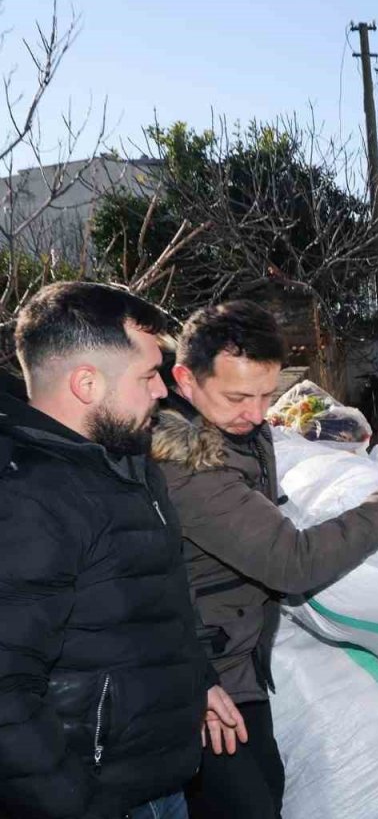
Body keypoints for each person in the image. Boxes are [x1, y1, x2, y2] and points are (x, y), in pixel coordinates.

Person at [150, 300, 378, 819]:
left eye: (267, 394)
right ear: (184, 380)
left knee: (268, 791)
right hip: (196, 674)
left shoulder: (238, 430)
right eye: (238, 396)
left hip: (233, 661)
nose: (255, 412)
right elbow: (292, 563)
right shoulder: (187, 467)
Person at [0, 283, 243, 819]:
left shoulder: (124, 460)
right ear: (86, 383)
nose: (161, 390)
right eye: (148, 375)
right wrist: (74, 803)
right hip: (103, 798)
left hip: (156, 779)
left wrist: (196, 681)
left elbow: (148, 601)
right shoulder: (27, 496)